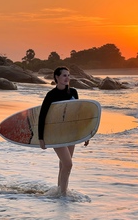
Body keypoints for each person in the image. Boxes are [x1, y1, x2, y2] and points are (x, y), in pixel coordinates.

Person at [38, 66, 89, 196]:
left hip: (70, 133)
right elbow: (42, 116)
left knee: (63, 166)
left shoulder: (73, 92)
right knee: (68, 164)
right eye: (64, 75)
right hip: (56, 134)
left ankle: (59, 192)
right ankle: (64, 195)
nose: (67, 78)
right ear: (57, 77)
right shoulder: (51, 95)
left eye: (68, 75)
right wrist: (41, 138)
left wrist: (85, 134)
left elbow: (77, 115)